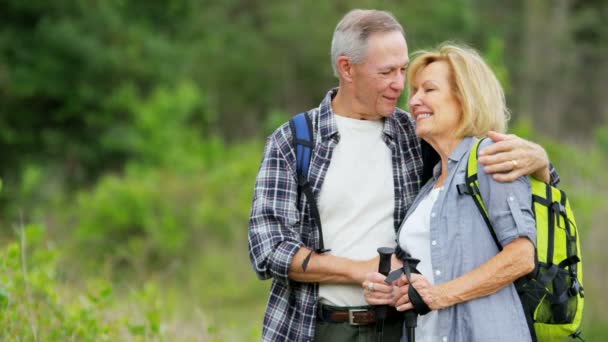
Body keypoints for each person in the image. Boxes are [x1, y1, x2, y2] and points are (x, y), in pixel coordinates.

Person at [249, 9, 556, 342]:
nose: (401, 86)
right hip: (315, 327)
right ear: (347, 68)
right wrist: (359, 270)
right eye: (387, 72)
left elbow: (499, 178)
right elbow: (268, 248)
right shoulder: (294, 141)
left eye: (403, 70)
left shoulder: (415, 134)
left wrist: (541, 162)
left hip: (402, 328)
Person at [363, 43, 540, 341]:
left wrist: (440, 296)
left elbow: (521, 256)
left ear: (465, 98)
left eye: (429, 90)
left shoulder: (488, 157)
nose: (415, 100)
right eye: (415, 91)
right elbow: (433, 276)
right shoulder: (430, 184)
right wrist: (396, 290)